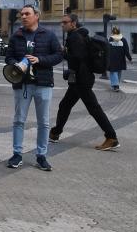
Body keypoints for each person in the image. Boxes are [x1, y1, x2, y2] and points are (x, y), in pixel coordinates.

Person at [49, 14, 120, 152]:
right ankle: (55, 133)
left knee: (94, 109)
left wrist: (63, 53)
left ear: (73, 23)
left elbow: (78, 58)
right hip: (79, 79)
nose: (62, 24)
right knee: (65, 105)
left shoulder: (75, 37)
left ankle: (111, 137)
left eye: (65, 22)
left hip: (81, 79)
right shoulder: (79, 34)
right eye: (61, 22)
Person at [4, 4, 62, 172]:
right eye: (22, 14)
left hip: (43, 84)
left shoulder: (48, 35)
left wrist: (40, 60)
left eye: (27, 14)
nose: (23, 17)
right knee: (19, 120)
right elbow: (8, 57)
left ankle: (41, 156)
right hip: (22, 84)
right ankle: (17, 154)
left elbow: (58, 55)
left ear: (37, 16)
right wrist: (16, 65)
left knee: (43, 122)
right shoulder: (16, 36)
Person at [107, 26, 132, 92]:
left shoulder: (110, 39)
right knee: (118, 71)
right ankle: (116, 84)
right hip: (120, 59)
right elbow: (126, 50)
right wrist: (130, 59)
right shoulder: (123, 39)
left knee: (113, 72)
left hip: (112, 59)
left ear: (112, 32)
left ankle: (115, 85)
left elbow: (107, 49)